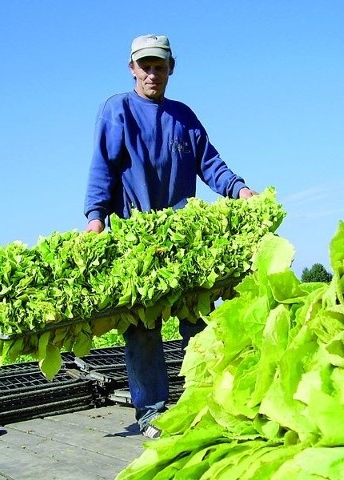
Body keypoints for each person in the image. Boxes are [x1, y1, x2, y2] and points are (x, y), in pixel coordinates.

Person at [83, 34, 257, 438]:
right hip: (135, 241)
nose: (151, 73)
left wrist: (240, 189)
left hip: (185, 241)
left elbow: (210, 163)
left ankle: (208, 396)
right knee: (142, 329)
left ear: (171, 69)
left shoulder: (183, 116)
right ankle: (152, 414)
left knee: (197, 321)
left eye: (159, 66)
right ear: (132, 68)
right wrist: (96, 219)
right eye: (144, 66)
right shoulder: (117, 110)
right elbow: (102, 168)